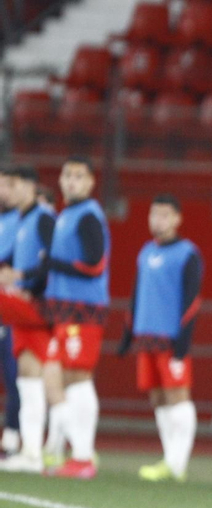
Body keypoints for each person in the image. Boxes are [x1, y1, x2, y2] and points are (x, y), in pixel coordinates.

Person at [118, 195, 203, 483]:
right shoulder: (145, 252)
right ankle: (170, 458)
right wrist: (128, 333)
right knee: (158, 398)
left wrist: (184, 341)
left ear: (178, 219)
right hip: (146, 336)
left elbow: (192, 300)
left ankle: (178, 463)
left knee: (177, 395)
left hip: (171, 338)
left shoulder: (187, 253)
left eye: (165, 215)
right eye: (154, 214)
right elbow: (136, 294)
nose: (158, 220)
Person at [38, 157, 110, 479]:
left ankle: (83, 456)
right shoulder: (66, 214)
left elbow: (95, 264)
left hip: (83, 309)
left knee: (78, 378)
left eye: (79, 176)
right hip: (66, 310)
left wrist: (51, 263)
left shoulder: (88, 216)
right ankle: (75, 449)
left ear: (91, 182)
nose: (71, 181)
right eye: (67, 175)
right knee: (54, 379)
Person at [0, 167, 53, 473]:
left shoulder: (43, 218)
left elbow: (52, 263)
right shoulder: (22, 221)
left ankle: (47, 450)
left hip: (38, 308)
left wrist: (25, 281)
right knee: (26, 379)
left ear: (30, 186)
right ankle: (30, 450)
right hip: (23, 310)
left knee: (37, 380)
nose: (7, 191)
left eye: (12, 184)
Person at [0, 170, 20, 457]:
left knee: (16, 375)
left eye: (8, 184)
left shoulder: (26, 221)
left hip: (12, 310)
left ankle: (13, 438)